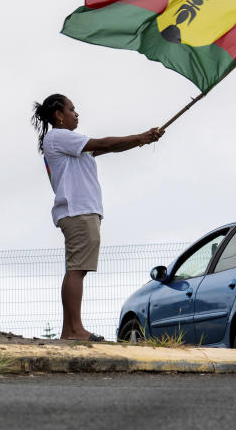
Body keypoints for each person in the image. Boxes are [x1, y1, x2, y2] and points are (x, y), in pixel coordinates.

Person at [31, 93, 163, 341]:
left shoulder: (69, 143)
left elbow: (109, 148)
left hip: (80, 211)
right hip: (77, 211)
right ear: (59, 115)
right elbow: (103, 144)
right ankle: (73, 330)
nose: (76, 113)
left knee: (77, 268)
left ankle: (70, 329)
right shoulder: (60, 137)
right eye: (72, 109)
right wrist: (140, 136)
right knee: (77, 269)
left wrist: (141, 141)